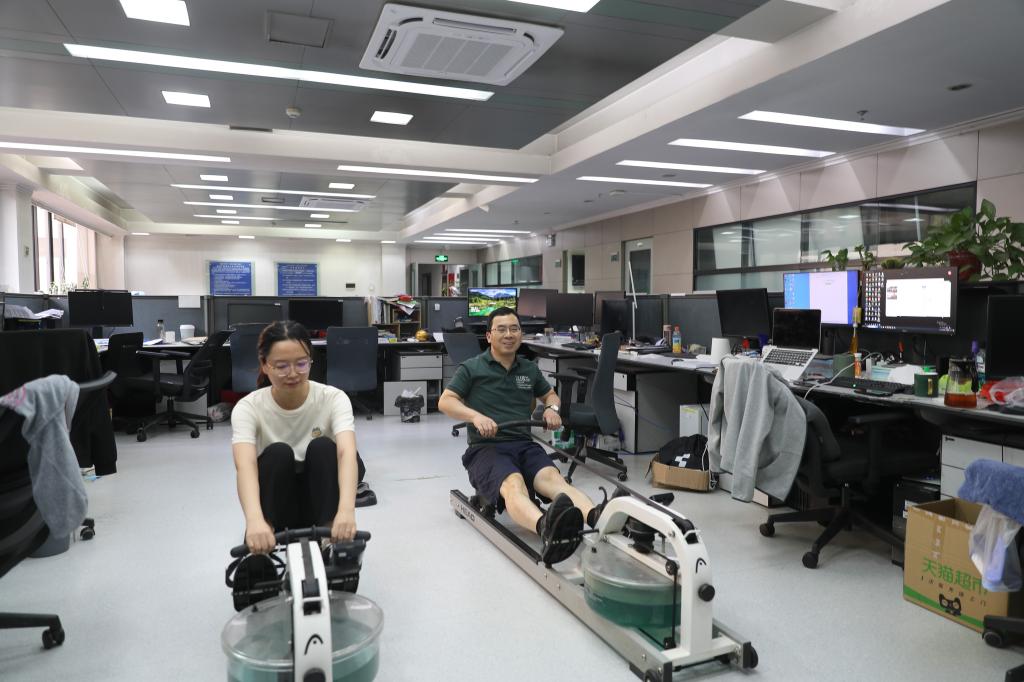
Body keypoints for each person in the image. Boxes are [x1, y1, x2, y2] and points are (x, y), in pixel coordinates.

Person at [438, 306, 605, 564]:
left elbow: (551, 395)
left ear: (520, 334)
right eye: (501, 329)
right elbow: (445, 401)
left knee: (553, 479)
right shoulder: (471, 368)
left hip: (524, 445)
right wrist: (475, 417)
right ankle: (546, 527)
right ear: (489, 336)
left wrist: (551, 409)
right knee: (514, 483)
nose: (509, 334)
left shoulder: (528, 369)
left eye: (514, 329)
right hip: (486, 448)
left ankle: (598, 517)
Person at [230, 320, 360, 555]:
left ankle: (331, 535)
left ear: (310, 360)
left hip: (321, 495)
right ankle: (265, 533)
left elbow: (347, 453)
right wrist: (255, 521)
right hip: (280, 501)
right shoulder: (248, 407)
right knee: (277, 453)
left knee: (323, 447)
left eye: (301, 364)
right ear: (264, 365)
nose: (292, 374)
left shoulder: (333, 398)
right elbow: (245, 465)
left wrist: (346, 511)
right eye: (281, 366)